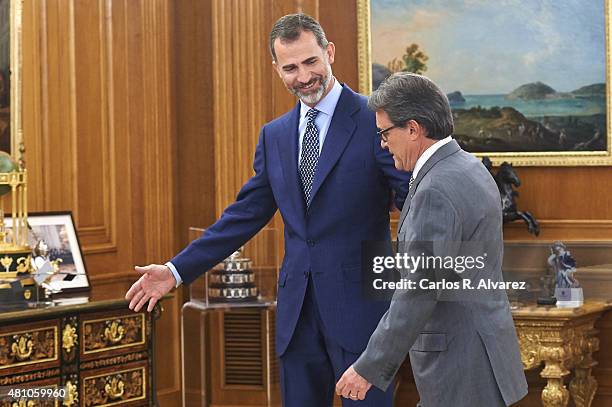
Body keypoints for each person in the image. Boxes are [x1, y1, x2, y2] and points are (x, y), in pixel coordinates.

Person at [125, 13, 410, 407]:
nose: (304, 76)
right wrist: (175, 271)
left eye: (311, 62)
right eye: (291, 67)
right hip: (297, 317)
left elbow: (415, 200)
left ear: (329, 53)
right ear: (277, 69)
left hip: (364, 312)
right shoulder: (273, 135)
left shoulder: (374, 120)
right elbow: (243, 215)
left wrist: (430, 286)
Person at [336, 73, 528, 406]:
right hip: (481, 356)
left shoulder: (435, 189)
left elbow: (418, 290)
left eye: (384, 133)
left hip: (460, 366)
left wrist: (368, 367)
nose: (382, 143)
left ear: (413, 129)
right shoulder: (469, 166)